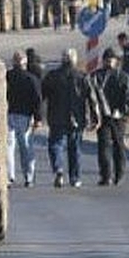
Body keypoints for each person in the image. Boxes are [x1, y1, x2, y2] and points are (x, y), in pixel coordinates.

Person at [42, 48, 101, 188]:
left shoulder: (52, 76)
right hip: (77, 118)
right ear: (74, 60)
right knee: (75, 148)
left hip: (56, 117)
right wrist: (95, 117)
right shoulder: (82, 77)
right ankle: (75, 178)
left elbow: (41, 95)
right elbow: (92, 98)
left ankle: (58, 169)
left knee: (55, 144)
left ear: (62, 59)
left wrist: (37, 114)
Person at [92, 47, 129, 185]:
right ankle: (118, 175)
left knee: (105, 145)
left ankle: (106, 176)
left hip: (103, 115)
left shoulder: (96, 76)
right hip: (119, 116)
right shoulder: (123, 76)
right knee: (118, 145)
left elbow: (90, 96)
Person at [6, 51, 42, 187]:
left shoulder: (7, 76)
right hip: (25, 116)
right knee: (25, 147)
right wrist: (38, 117)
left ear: (13, 62)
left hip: (9, 114)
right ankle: (28, 176)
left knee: (9, 147)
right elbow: (37, 99)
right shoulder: (31, 78)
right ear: (25, 62)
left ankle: (9, 176)